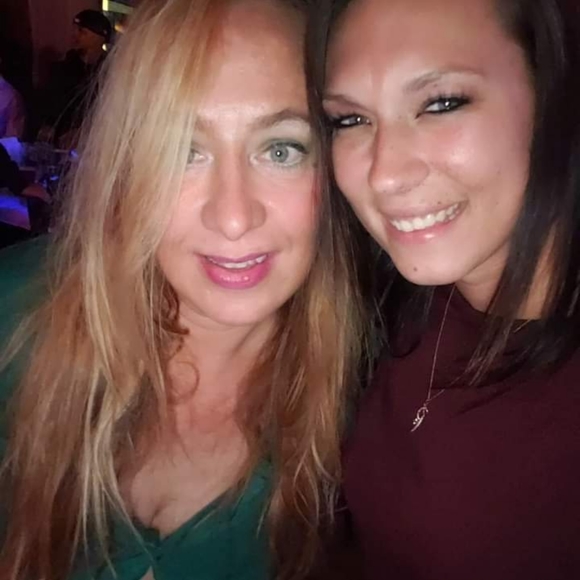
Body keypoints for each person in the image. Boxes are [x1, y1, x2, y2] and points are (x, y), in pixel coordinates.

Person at [0, 0, 362, 579]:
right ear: (126, 167)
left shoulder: (375, 402)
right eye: (183, 151)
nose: (234, 217)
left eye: (281, 149)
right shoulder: (15, 312)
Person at [306, 0, 580, 578]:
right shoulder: (390, 298)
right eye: (350, 120)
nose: (385, 174)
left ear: (553, 97)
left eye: (442, 104)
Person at [39, 9, 112, 147]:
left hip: (98, 140)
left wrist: (85, 130)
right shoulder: (65, 67)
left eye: (82, 32)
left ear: (100, 37)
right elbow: (53, 101)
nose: (75, 35)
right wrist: (49, 125)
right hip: (63, 139)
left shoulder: (112, 68)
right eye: (75, 30)